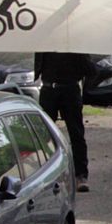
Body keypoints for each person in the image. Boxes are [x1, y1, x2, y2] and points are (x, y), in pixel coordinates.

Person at [36, 50, 94, 192]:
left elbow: (88, 67)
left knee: (76, 134)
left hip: (70, 88)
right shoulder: (45, 38)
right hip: (49, 88)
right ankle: (44, 174)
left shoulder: (73, 39)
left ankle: (81, 175)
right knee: (44, 135)